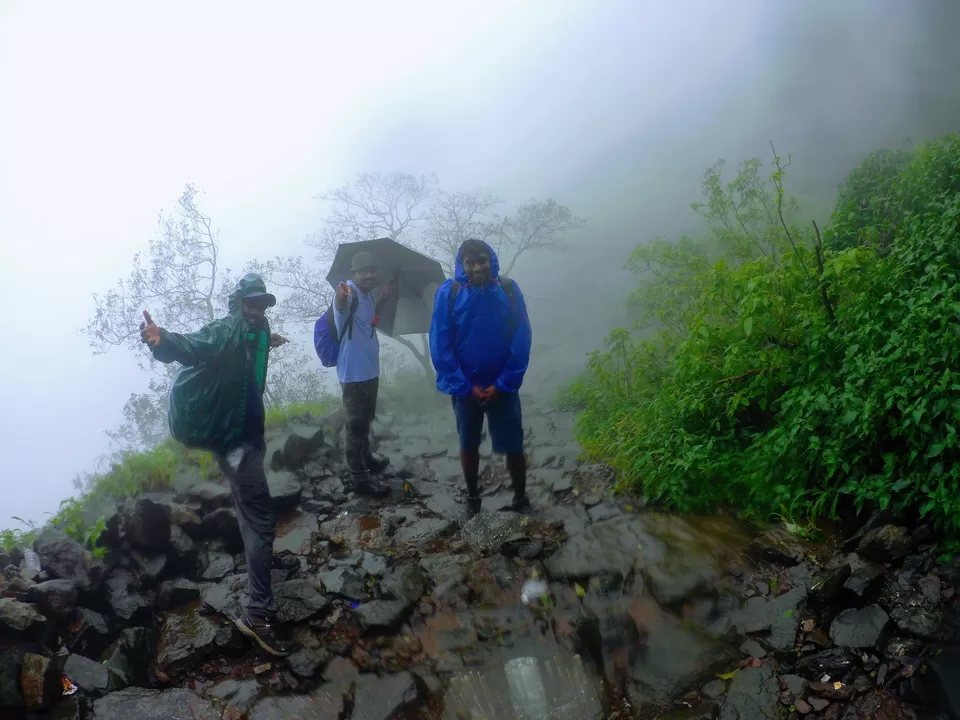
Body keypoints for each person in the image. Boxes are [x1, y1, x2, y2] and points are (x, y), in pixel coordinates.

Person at [139, 273, 294, 656]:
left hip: (247, 433)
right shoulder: (228, 328)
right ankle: (258, 613)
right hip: (234, 440)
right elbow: (194, 345)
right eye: (251, 303)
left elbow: (248, 353)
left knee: (249, 511)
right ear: (238, 302)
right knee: (259, 517)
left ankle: (258, 573)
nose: (257, 310)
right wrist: (163, 341)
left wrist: (267, 341)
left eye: (263, 304)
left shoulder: (255, 330)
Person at [429, 238, 533, 517]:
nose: (477, 267)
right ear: (462, 265)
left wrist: (503, 383)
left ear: (492, 260)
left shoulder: (508, 289)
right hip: (466, 389)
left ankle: (521, 497)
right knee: (469, 442)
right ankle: (473, 497)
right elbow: (440, 342)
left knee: (513, 443)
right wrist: (464, 385)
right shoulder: (449, 293)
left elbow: (521, 336)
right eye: (470, 262)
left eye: (482, 260)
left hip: (503, 387)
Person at [334, 250, 392, 497]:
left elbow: (367, 320)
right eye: (364, 271)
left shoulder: (367, 296)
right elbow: (341, 306)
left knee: (367, 419)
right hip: (353, 373)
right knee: (355, 425)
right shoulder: (348, 293)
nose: (370, 274)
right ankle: (359, 478)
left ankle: (367, 458)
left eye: (372, 270)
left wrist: (384, 297)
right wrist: (340, 298)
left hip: (369, 370)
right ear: (353, 274)